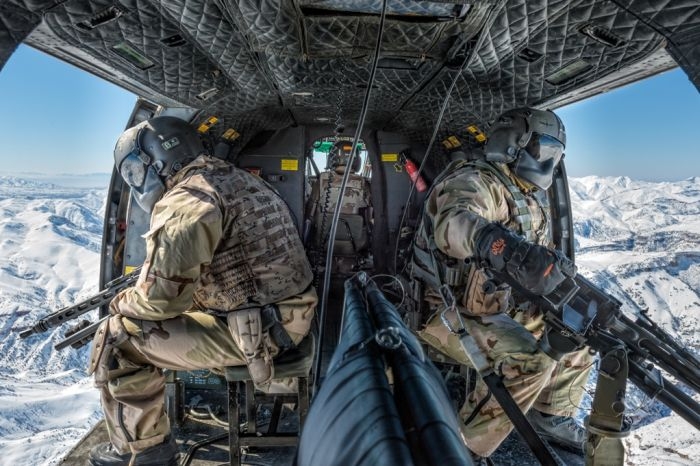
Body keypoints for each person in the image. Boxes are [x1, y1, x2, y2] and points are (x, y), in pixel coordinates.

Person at [88, 115, 317, 466]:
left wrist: (121, 302)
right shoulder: (237, 179)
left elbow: (159, 302)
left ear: (157, 162)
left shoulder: (187, 200)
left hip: (262, 330)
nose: (137, 182)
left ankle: (143, 453)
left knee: (117, 340)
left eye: (135, 171)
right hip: (288, 314)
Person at [409, 107, 592, 459]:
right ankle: (463, 448)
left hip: (498, 308)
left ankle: (550, 416)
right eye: (544, 150)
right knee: (530, 361)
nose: (549, 162)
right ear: (514, 144)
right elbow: (452, 225)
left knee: (576, 335)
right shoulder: (477, 181)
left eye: (555, 154)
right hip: (445, 311)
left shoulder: (528, 196)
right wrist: (501, 246)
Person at [305, 140, 372, 273]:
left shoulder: (322, 181)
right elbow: (370, 217)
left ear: (332, 158)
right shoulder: (363, 183)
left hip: (323, 241)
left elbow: (310, 214)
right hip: (356, 244)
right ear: (357, 160)